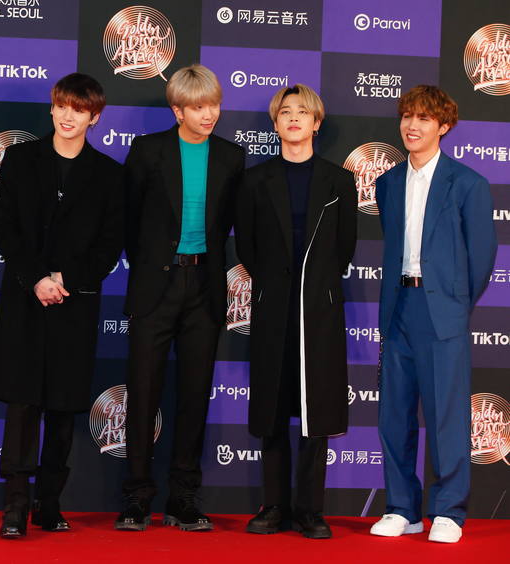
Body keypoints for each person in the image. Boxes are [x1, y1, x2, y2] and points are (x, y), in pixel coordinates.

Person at [0, 73, 124, 538]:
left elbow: (109, 245)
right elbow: (6, 229)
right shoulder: (21, 159)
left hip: (74, 303)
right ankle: (15, 504)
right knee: (23, 403)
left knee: (63, 406)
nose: (68, 116)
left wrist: (67, 279)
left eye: (79, 110)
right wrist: (37, 279)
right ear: (51, 107)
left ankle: (49, 502)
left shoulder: (109, 174)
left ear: (94, 117)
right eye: (62, 106)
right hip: (26, 298)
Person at [116, 64, 244, 532]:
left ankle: (183, 499)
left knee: (193, 396)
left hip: (204, 287)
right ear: (177, 110)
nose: (209, 114)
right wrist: (152, 266)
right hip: (156, 286)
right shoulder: (147, 151)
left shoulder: (232, 156)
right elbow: (129, 221)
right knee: (142, 394)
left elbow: (229, 223)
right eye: (198, 106)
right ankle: (136, 498)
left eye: (214, 104)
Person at [371, 85, 496, 544]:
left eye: (423, 118)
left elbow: (482, 258)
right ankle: (402, 508)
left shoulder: (468, 184)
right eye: (407, 116)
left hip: (441, 311)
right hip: (397, 307)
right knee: (394, 414)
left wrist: (454, 304)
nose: (412, 125)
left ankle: (449, 510)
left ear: (443, 126)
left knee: (446, 415)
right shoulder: (387, 182)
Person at [234, 84, 357, 539]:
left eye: (303, 112)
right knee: (271, 407)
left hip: (319, 311)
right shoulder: (254, 180)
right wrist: (275, 283)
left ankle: (310, 510)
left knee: (316, 408)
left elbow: (344, 248)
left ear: (316, 123)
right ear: (275, 123)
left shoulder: (339, 181)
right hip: (272, 308)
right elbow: (246, 246)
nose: (294, 119)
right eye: (285, 112)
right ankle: (274, 506)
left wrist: (314, 286)